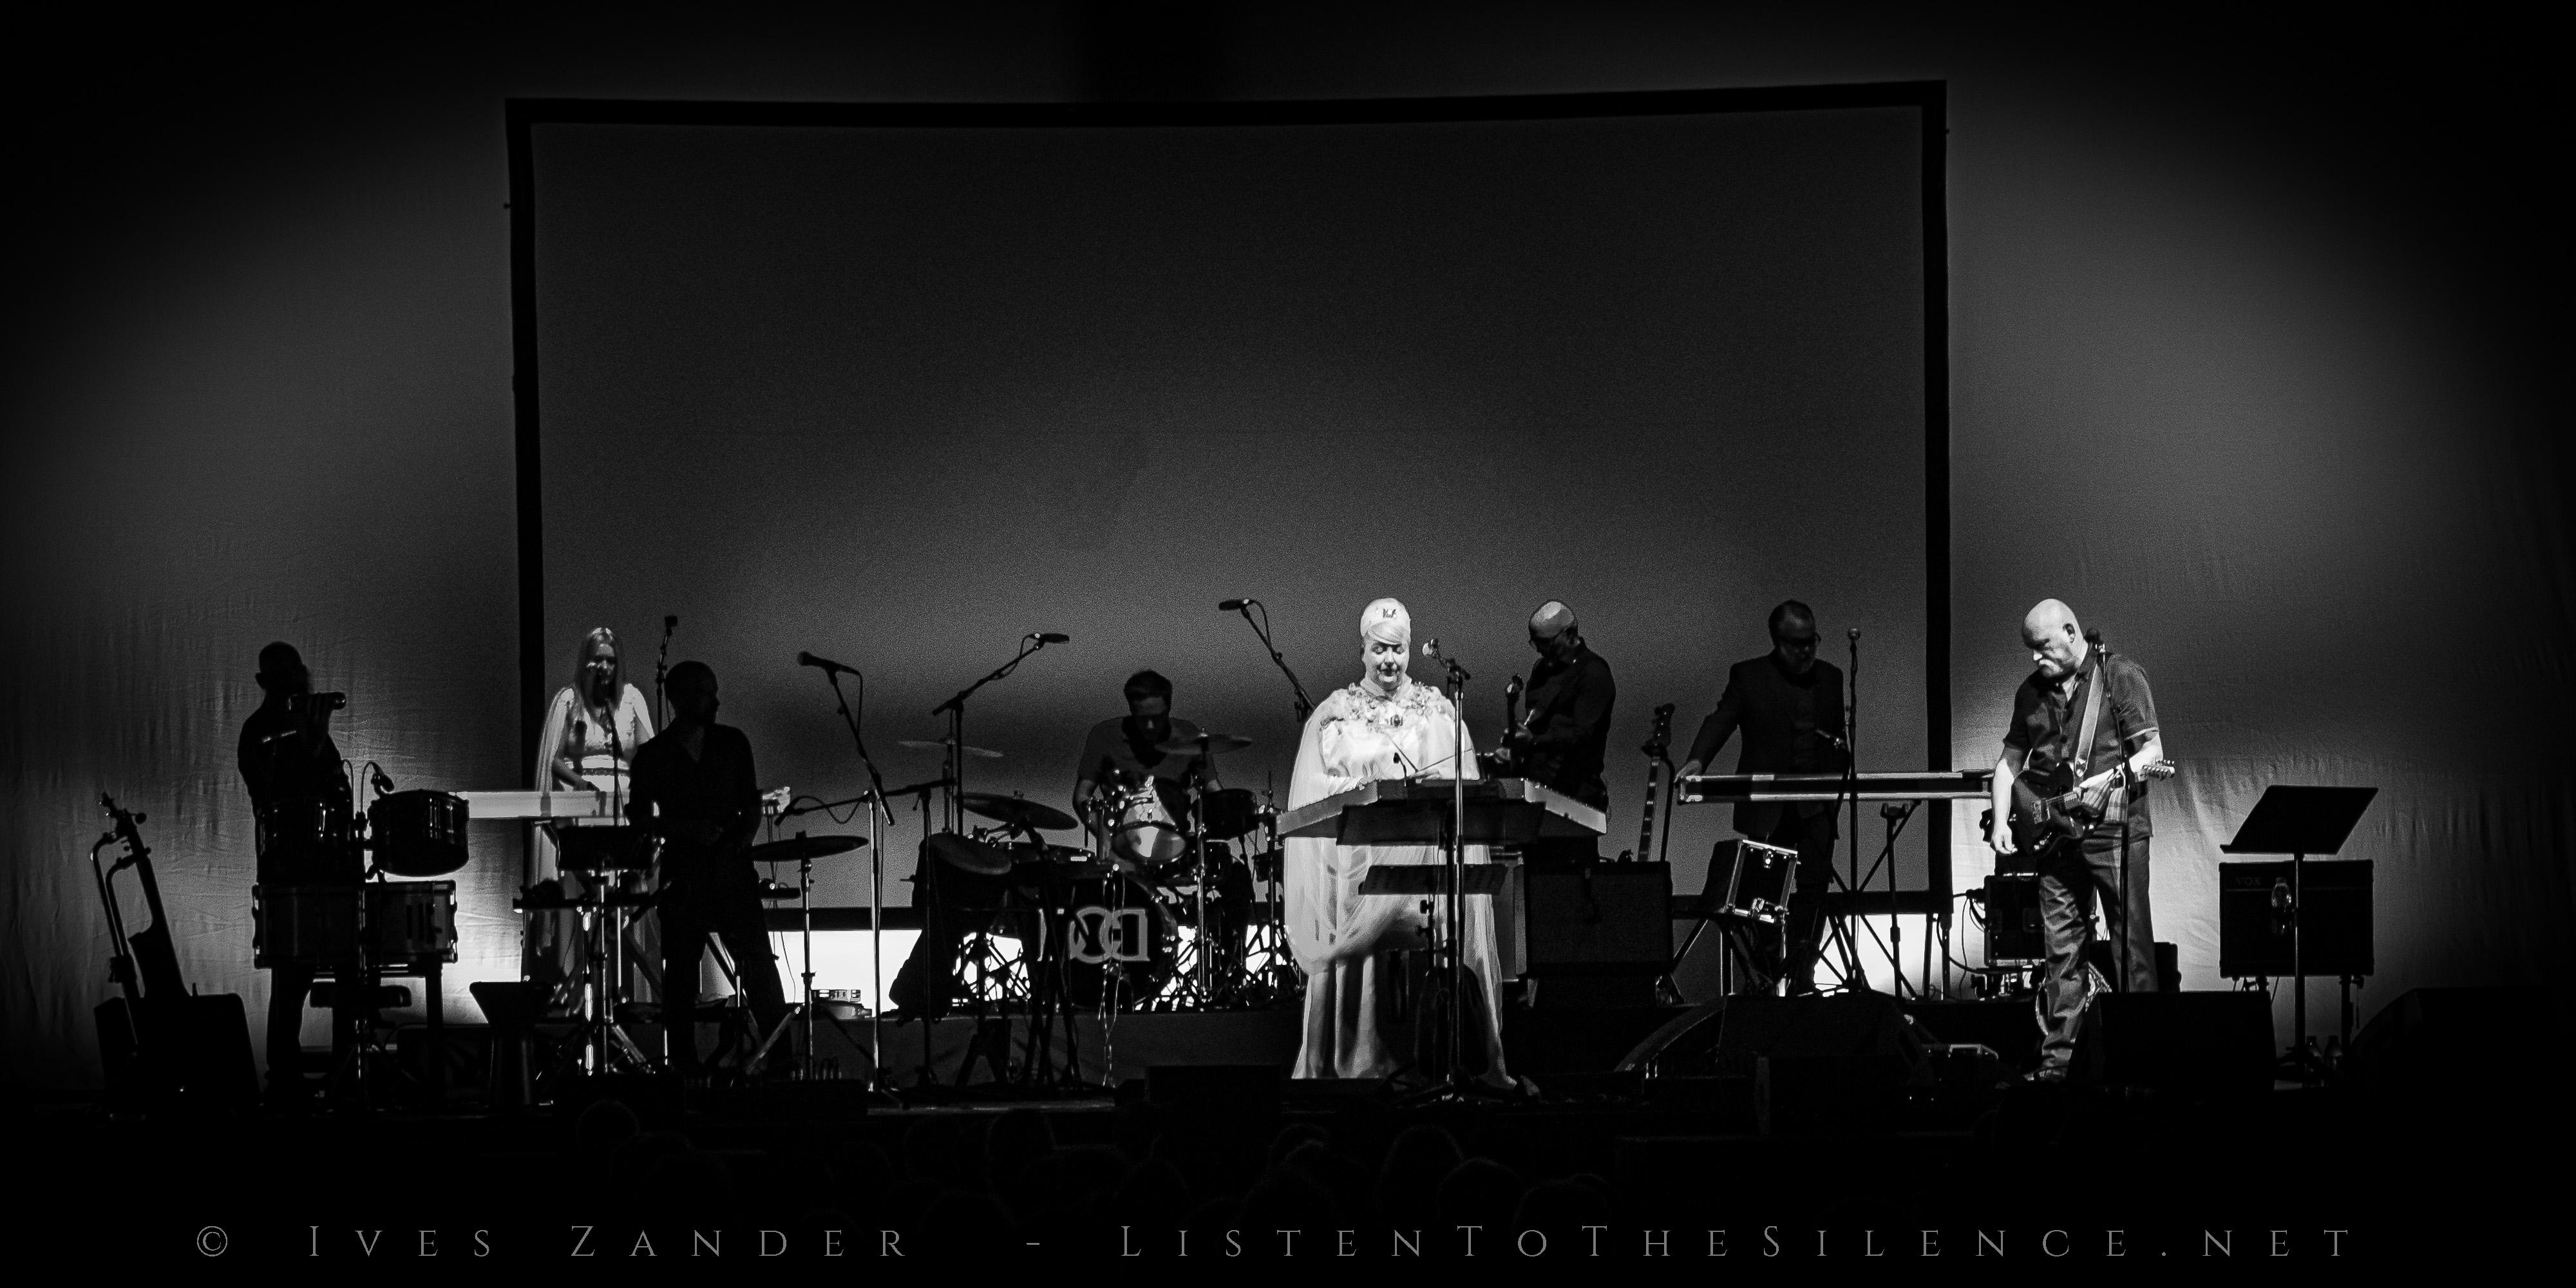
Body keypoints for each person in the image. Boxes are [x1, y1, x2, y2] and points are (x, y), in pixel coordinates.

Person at [1283, 598, 1511, 1085]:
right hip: (1362, 872)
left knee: (1453, 910)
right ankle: (1360, 1055)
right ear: (1363, 651)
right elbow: (1314, 795)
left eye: (1399, 650)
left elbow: (1462, 781)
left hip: (1427, 865)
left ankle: (1450, 1056)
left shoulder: (1438, 711)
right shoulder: (1336, 714)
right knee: (1358, 908)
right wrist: (1367, 791)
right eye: (1380, 649)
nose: (1389, 660)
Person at [1986, 599, 2164, 1081]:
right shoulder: (2030, 693)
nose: (2035, 659)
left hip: (2115, 834)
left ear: (2070, 633)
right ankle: (2058, 1065)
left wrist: (2111, 779)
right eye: (2030, 650)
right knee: (2061, 952)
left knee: (2132, 949)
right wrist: (2003, 821)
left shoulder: (2120, 676)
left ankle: (2139, 1058)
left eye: (2042, 648)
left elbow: (2152, 753)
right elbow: (2007, 766)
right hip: (2055, 840)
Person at [627, 661, 788, 1082]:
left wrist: (738, 841)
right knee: (680, 975)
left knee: (758, 967)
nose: (716, 702)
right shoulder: (653, 756)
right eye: (706, 693)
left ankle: (781, 1063)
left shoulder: (733, 743)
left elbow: (751, 808)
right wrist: (684, 830)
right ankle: (684, 1068)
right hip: (683, 877)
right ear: (679, 699)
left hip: (732, 873)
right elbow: (639, 818)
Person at [1674, 601, 1847, 991]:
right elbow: (1721, 719)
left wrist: (1835, 790)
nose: (1808, 651)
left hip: (1816, 807)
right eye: (1798, 643)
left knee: (1815, 889)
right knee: (1763, 898)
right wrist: (1698, 760)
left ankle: (1803, 971)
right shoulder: (1749, 676)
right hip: (1768, 809)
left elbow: (1838, 741)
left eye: (1813, 642)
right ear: (1778, 641)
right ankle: (1767, 977)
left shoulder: (1832, 678)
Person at [236, 641, 362, 1105]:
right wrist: (309, 739)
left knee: (348, 964)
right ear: (265, 681)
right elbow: (272, 792)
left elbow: (334, 783)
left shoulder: (305, 726)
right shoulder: (261, 731)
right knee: (292, 971)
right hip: (288, 868)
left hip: (326, 867)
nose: (297, 677)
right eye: (286, 672)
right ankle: (285, 1078)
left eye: (297, 669)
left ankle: (347, 1069)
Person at [527, 628, 657, 1011]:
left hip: (624, 805)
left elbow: (648, 754)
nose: (604, 666)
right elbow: (553, 757)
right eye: (598, 658)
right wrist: (581, 783)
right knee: (586, 895)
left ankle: (620, 997)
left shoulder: (631, 699)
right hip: (579, 807)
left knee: (625, 898)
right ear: (585, 661)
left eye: (611, 660)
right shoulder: (568, 701)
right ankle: (578, 993)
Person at [1497, 600, 1616, 863]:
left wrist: (1535, 742)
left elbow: (1584, 735)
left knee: (1569, 878)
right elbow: (1535, 722)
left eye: (1545, 643)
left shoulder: (1594, 672)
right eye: (1535, 643)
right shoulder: (1541, 671)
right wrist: (1516, 748)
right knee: (1536, 875)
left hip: (1575, 793)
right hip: (1539, 792)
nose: (1539, 650)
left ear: (1570, 635)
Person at [1070, 669, 1209, 855]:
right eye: (1143, 719)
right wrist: (1107, 841)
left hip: (1176, 842)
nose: (1150, 725)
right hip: (1123, 841)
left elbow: (1212, 790)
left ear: (1169, 708)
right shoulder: (1105, 735)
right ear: (1131, 709)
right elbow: (1082, 796)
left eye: (1157, 718)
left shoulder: (1188, 735)